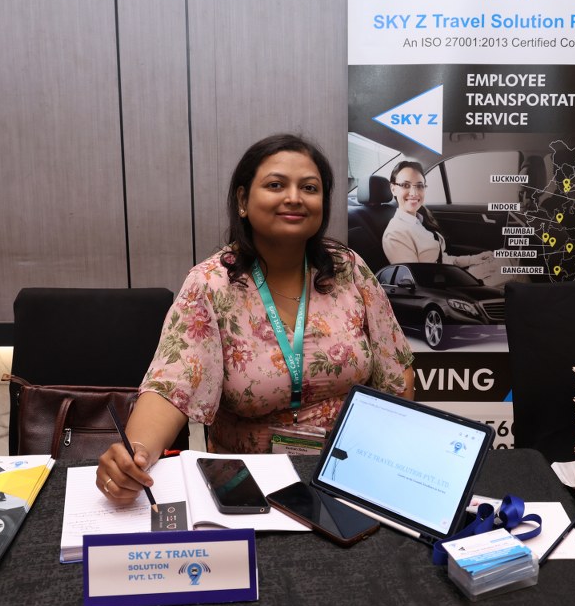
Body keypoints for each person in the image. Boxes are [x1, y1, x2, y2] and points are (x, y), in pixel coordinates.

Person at [97, 133, 414, 504]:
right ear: (243, 201)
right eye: (276, 185)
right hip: (249, 486)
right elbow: (171, 387)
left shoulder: (348, 268)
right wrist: (135, 455)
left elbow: (396, 372)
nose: (294, 197)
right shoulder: (210, 284)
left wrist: (388, 463)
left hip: (347, 474)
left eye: (309, 188)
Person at [381, 160, 511, 286]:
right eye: (405, 185)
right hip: (446, 290)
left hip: (450, 279)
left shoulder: (419, 220)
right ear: (393, 189)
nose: (414, 193)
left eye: (419, 186)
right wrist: (471, 277)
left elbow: (442, 260)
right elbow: (418, 285)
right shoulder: (395, 234)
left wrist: (474, 259)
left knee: (506, 259)